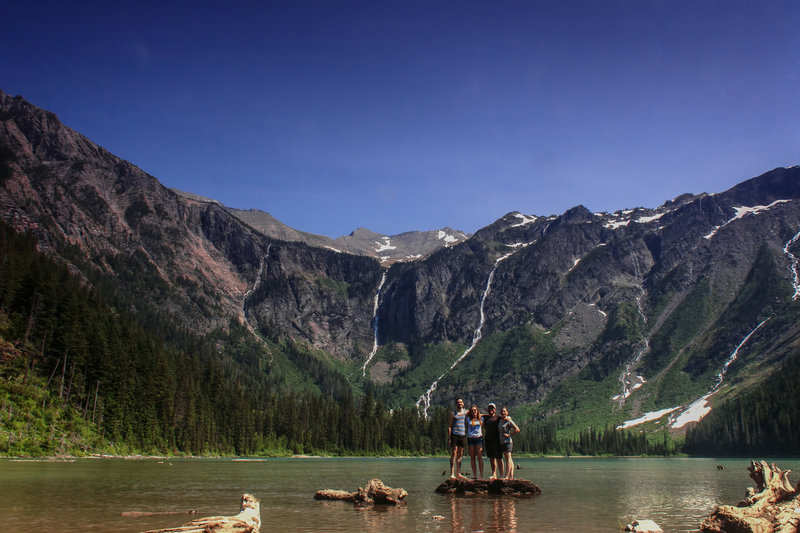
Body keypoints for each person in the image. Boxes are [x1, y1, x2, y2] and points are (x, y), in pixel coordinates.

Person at [448, 397, 468, 479]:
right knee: (454, 453)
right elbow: (449, 426)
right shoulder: (453, 413)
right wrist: (449, 438)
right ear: (456, 404)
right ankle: (452, 473)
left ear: (463, 403)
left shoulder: (466, 412)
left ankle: (458, 473)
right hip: (454, 435)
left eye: (461, 402)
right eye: (458, 402)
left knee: (460, 454)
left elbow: (477, 414)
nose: (460, 403)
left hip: (462, 435)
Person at [481, 403, 503, 479]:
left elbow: (506, 417)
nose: (491, 410)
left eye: (492, 408)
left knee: (499, 458)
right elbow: (477, 414)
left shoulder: (498, 417)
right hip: (488, 440)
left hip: (497, 440)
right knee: (491, 458)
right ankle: (494, 474)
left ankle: (502, 475)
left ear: (495, 410)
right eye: (489, 408)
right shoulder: (485, 417)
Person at [498, 406, 520, 479]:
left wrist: (509, 435)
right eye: (502, 411)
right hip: (502, 442)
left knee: (508, 459)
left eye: (504, 411)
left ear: (507, 412)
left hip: (507, 442)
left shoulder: (509, 421)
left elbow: (517, 429)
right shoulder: (501, 420)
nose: (503, 412)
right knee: (509, 459)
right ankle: (511, 476)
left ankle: (507, 476)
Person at [466, 405, 484, 479]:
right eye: (472, 410)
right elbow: (465, 413)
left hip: (478, 438)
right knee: (472, 457)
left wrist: (480, 414)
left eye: (475, 410)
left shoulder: (481, 418)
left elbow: (487, 415)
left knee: (479, 457)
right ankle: (474, 475)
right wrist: (469, 412)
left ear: (477, 411)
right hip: (470, 438)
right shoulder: (468, 418)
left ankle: (481, 475)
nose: (473, 411)